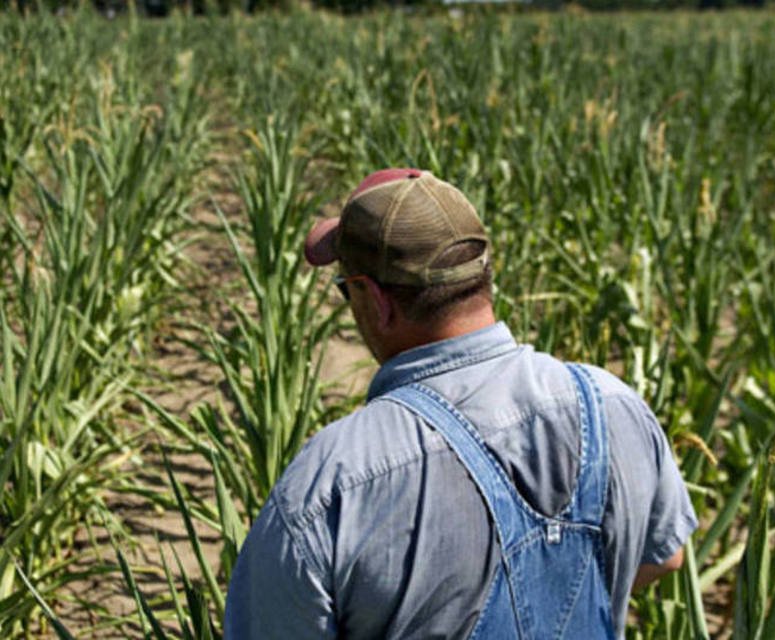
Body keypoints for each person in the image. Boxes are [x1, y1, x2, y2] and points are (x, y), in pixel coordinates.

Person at [224, 168, 697, 639]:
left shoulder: (331, 484)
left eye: (348, 289)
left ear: (375, 299)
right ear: (484, 276)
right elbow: (665, 555)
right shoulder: (612, 403)